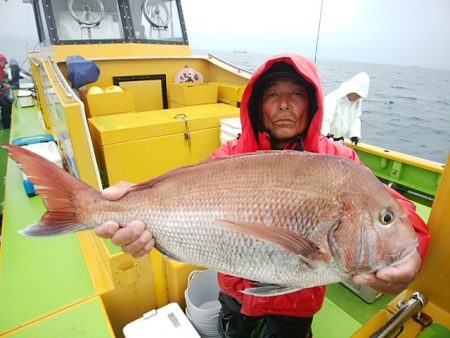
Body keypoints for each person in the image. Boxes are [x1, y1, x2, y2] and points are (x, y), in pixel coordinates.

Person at [95, 54, 430, 338]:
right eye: (272, 94)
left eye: (296, 94)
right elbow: (183, 200)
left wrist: (412, 255)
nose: (284, 104)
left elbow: (397, 208)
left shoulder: (341, 165)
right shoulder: (227, 157)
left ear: (311, 102)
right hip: (234, 297)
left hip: (295, 308)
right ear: (258, 104)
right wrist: (136, 203)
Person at [321, 71, 370, 147]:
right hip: (326, 141)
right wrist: (326, 139)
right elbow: (325, 121)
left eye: (360, 96)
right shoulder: (332, 99)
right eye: (356, 95)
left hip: (339, 141)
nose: (357, 98)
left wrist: (354, 135)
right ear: (352, 90)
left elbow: (355, 119)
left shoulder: (356, 102)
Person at [0, 53, 13, 129]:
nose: (5, 64)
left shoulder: (2, 71)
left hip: (1, 92)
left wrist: (5, 84)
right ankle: (6, 125)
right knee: (5, 104)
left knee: (8, 102)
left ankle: (8, 120)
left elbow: (2, 81)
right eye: (4, 62)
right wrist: (4, 86)